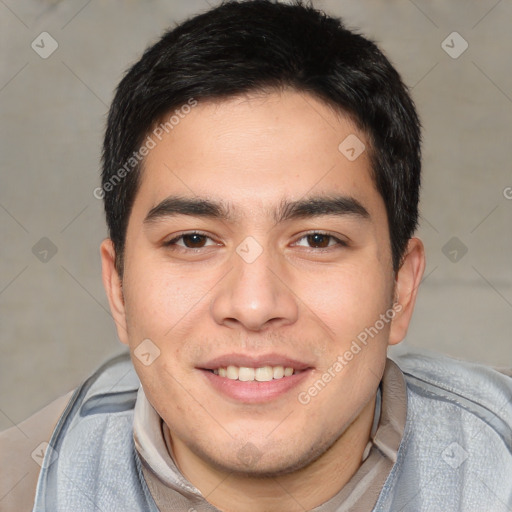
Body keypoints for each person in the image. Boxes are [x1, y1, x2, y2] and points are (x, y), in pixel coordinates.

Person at [1, 1, 511, 510]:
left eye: (317, 240)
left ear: (400, 288)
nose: (253, 305)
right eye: (193, 240)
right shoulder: (25, 482)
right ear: (118, 289)